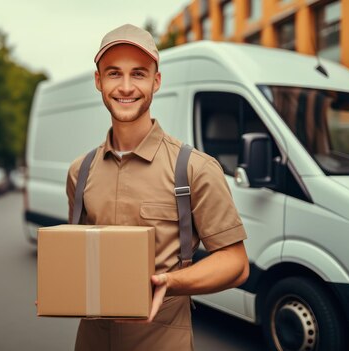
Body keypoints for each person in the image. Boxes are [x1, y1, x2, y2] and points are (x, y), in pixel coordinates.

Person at [66, 24, 249, 351]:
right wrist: (62, 287)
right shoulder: (80, 171)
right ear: (98, 82)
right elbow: (81, 258)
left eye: (138, 74)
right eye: (113, 73)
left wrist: (168, 282)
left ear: (156, 81)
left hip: (163, 340)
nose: (125, 87)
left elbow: (236, 264)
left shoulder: (194, 168)